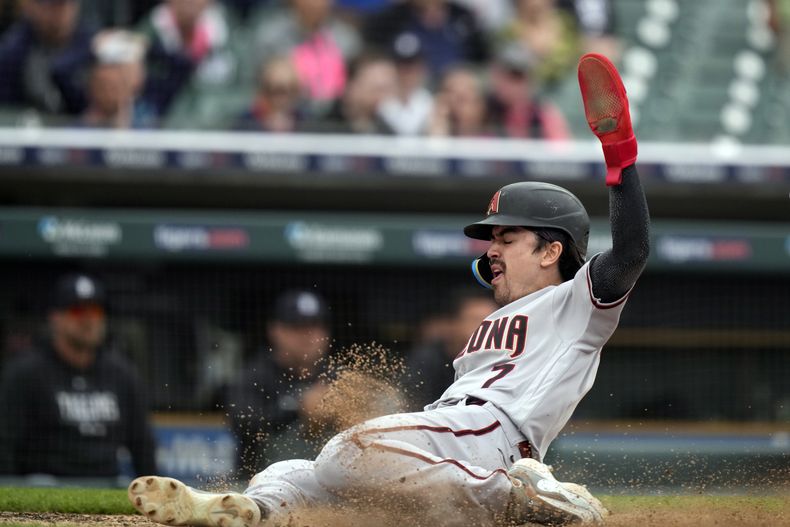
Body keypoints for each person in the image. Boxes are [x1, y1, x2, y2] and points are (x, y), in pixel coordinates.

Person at [128, 53, 649, 527]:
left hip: (493, 438)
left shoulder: (579, 301)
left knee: (351, 449)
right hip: (454, 445)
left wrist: (619, 156)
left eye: (507, 238)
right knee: (296, 471)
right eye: (491, 238)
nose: (491, 248)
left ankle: (522, 501)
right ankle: (247, 512)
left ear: (551, 251)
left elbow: (629, 253)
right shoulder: (498, 312)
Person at [0, 273, 157, 479]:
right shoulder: (26, 372)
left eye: (95, 311)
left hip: (106, 481)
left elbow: (142, 444)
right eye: (77, 311)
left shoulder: (122, 373)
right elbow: (4, 443)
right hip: (43, 484)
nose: (88, 320)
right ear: (55, 317)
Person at [225, 290, 333, 481]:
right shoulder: (254, 375)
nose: (307, 336)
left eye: (314, 327)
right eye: (297, 328)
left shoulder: (338, 376)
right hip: (259, 487)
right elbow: (244, 425)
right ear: (275, 331)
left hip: (326, 491)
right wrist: (297, 406)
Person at [405, 287, 498, 408]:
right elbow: (409, 407)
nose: (485, 329)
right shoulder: (428, 360)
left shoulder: (501, 362)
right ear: (454, 324)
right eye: (475, 320)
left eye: (492, 321)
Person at [0, 0, 96, 115]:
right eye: (52, 7)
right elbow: (7, 107)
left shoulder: (92, 46)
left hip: (80, 128)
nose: (61, 14)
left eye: (65, 6)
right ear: (31, 8)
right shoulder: (13, 51)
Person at [486, 44, 571, 140]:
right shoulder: (483, 111)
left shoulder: (544, 115)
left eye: (517, 76)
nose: (509, 84)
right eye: (503, 75)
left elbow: (560, 150)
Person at [79, 29, 156, 129]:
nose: (108, 93)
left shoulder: (143, 120)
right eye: (102, 87)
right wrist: (92, 46)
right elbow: (60, 71)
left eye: (113, 87)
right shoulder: (81, 125)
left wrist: (142, 44)